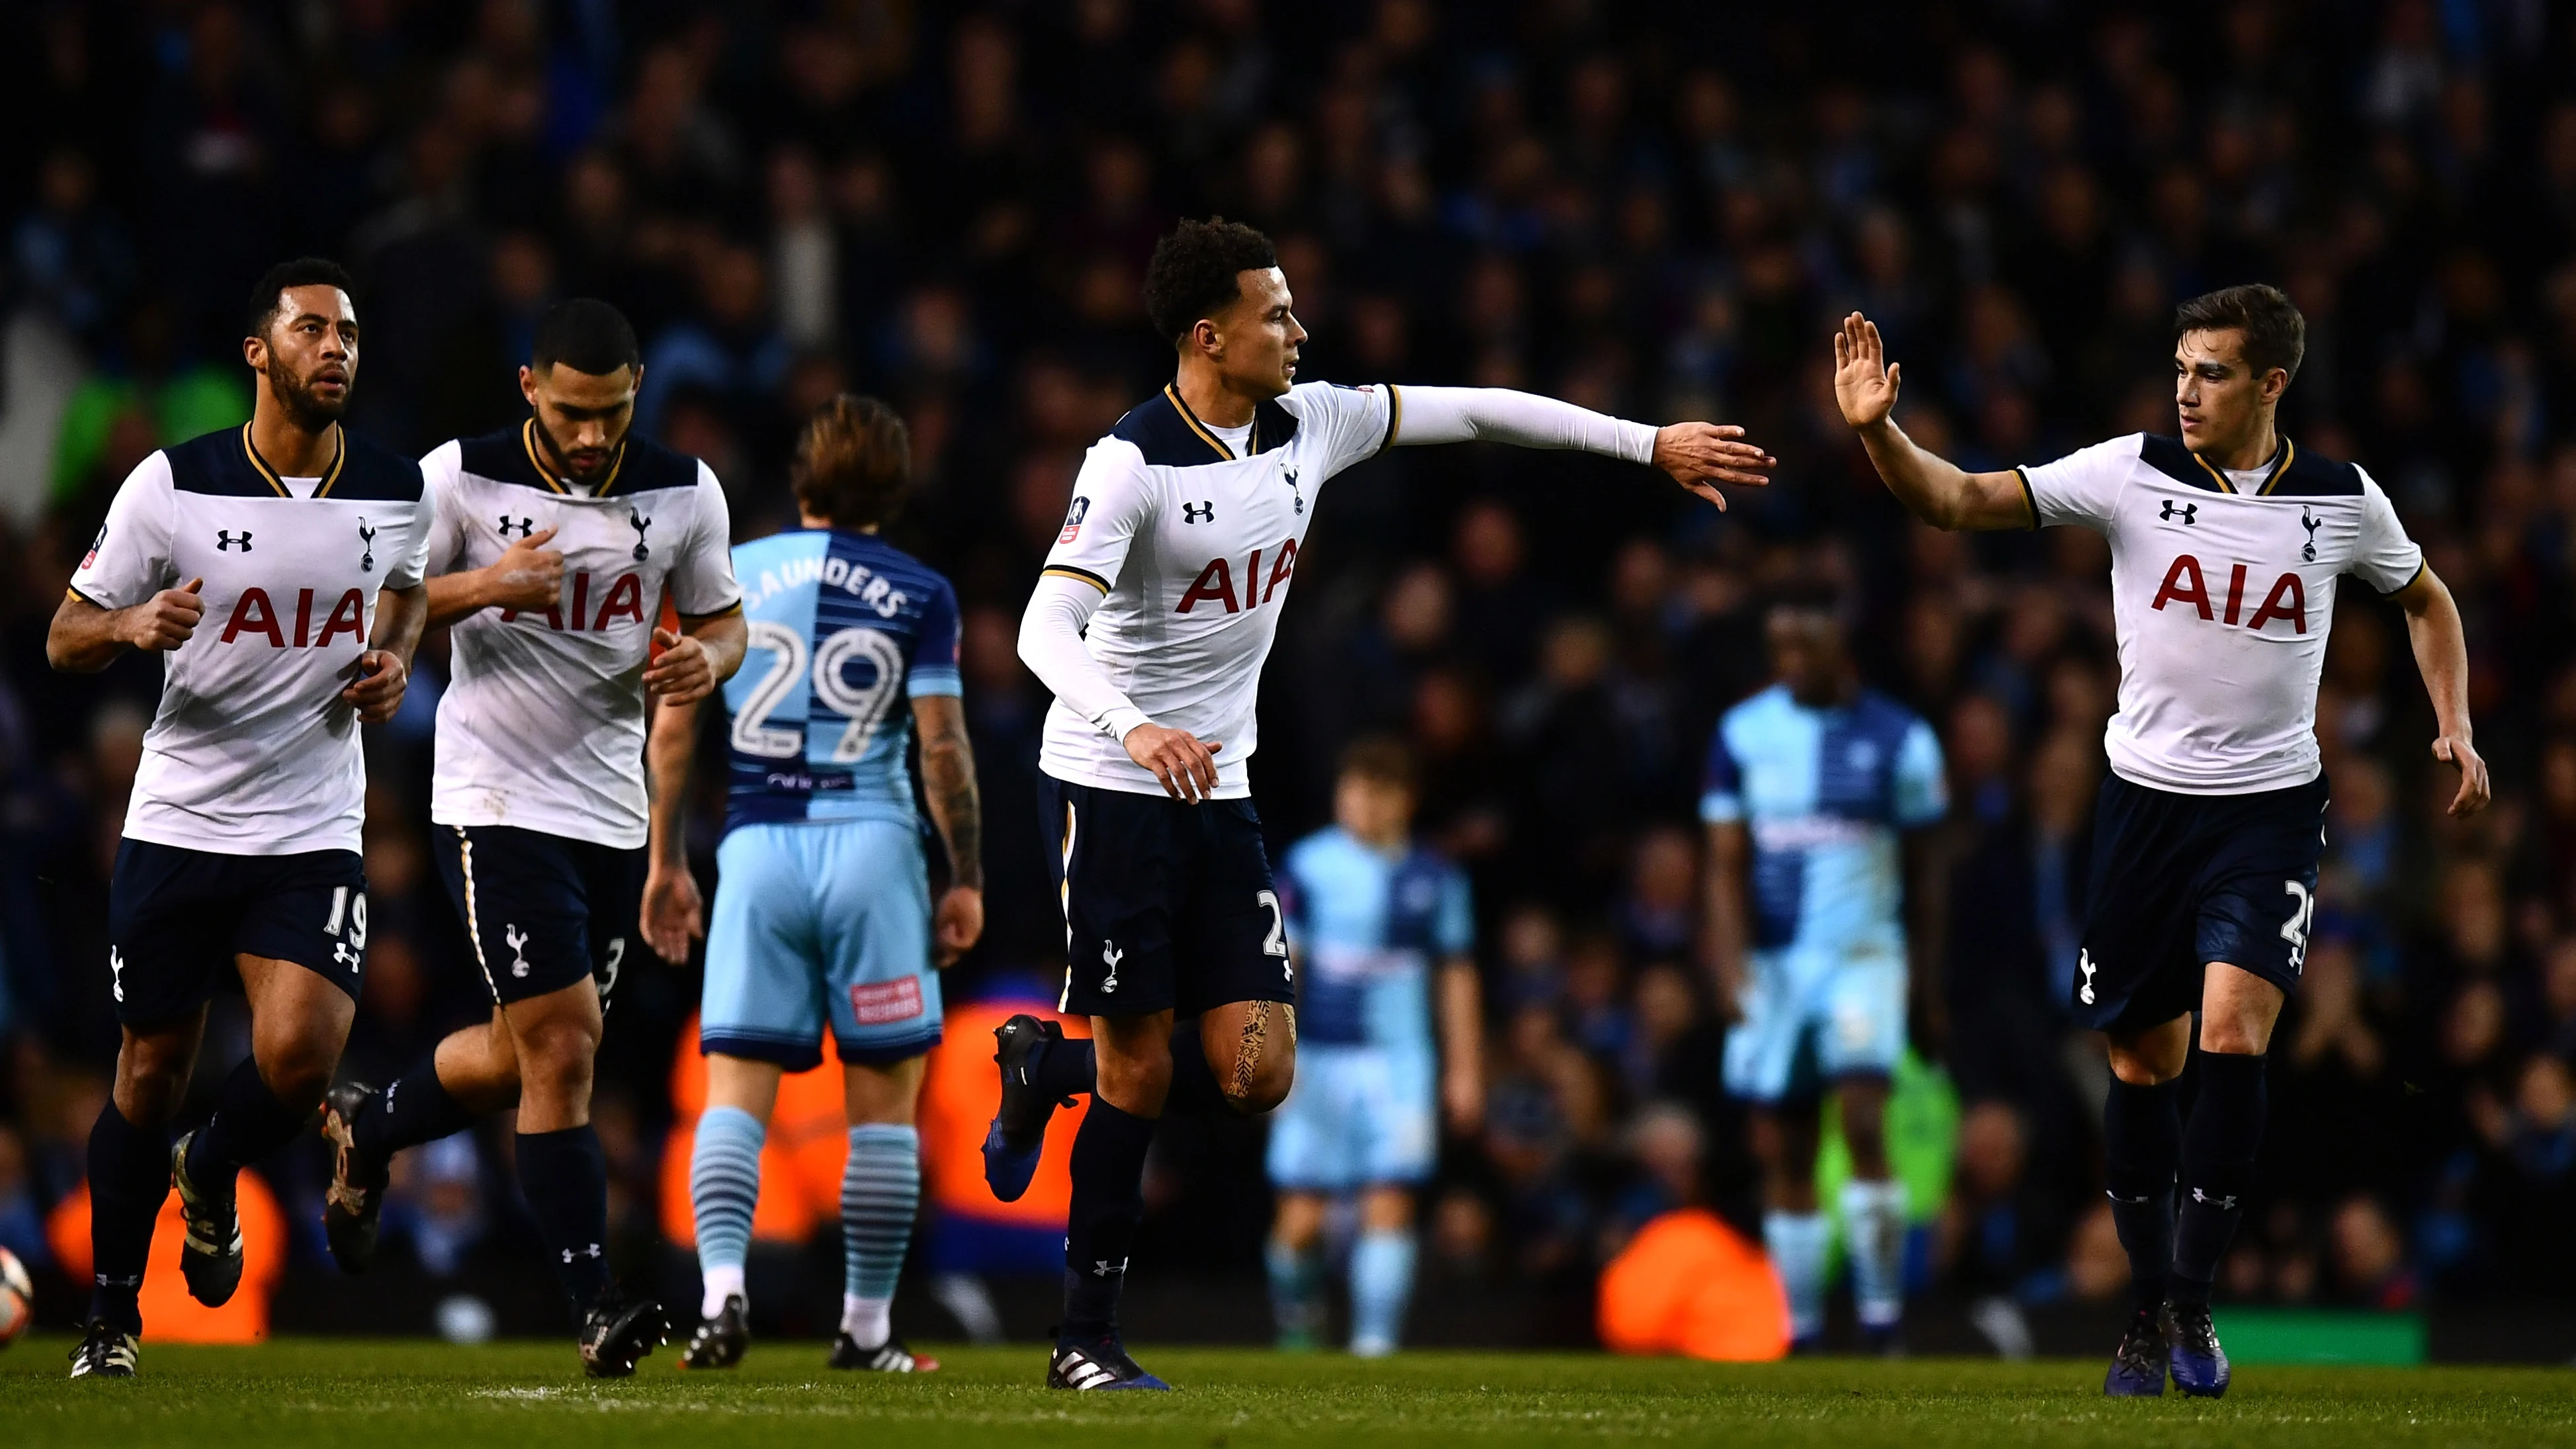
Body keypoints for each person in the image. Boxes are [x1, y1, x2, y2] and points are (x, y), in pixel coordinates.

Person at [984, 217, 1774, 1391]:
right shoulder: (1131, 462)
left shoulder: (1315, 425)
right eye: (1274, 314)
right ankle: (1081, 1338)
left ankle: (1047, 1070)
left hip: (1226, 786)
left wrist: (1643, 441)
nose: (1297, 332)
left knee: (1256, 1071)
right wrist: (1133, 727)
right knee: (1141, 1073)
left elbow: (1482, 408)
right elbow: (1041, 628)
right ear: (1209, 336)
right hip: (1114, 787)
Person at [1831, 285, 2489, 1397]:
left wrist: (2453, 725)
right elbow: (1952, 503)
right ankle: (2143, 1306)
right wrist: (1874, 433)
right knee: (2141, 1062)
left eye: (2211, 372)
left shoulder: (2337, 502)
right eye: (2178, 368)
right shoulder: (2128, 474)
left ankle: (2187, 1302)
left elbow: (2425, 600)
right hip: (2141, 807)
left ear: (2269, 383)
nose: (2183, 391)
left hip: (2267, 810)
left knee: (2232, 1029)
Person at [319, 298, 748, 1378]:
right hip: (494, 794)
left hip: (607, 805)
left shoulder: (685, 493)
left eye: (609, 412)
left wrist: (713, 661)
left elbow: (720, 617)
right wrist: (486, 585)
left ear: (635, 389)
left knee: (525, 1060)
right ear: (529, 389)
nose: (592, 435)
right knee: (563, 1049)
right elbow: (378, 612)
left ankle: (372, 1129)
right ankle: (593, 1300)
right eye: (569, 412)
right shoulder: (458, 477)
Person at [49, 259, 433, 1378]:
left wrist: (396, 658)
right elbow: (63, 636)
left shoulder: (394, 489)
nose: (336, 351)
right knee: (148, 1071)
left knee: (306, 1053)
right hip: (178, 819)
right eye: (312, 331)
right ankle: (113, 1317)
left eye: (348, 335)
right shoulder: (172, 485)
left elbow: (407, 586)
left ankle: (209, 1171)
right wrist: (127, 627)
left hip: (310, 826)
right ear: (259, 354)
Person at [641, 394, 983, 1374]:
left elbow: (673, 727)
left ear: (800, 482)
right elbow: (943, 746)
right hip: (872, 849)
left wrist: (667, 862)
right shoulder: (922, 590)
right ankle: (866, 1327)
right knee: (883, 1107)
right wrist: (963, 875)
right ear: (897, 490)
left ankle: (717, 1300)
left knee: (734, 1098)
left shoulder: (733, 576)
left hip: (756, 848)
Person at [1700, 586, 1947, 1354]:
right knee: (1786, 1142)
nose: (1792, 664)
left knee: (1866, 1119)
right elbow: (1724, 863)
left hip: (1863, 959)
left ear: (1843, 648)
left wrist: (1925, 980)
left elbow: (1930, 867)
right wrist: (1727, 960)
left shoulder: (1903, 739)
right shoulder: (1742, 734)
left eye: (1806, 647)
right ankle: (1801, 1328)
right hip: (1774, 966)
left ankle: (1880, 1320)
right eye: (1781, 649)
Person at [1264, 738, 1481, 1357]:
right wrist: (1276, 1056)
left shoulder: (1435, 878)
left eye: (1375, 792)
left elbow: (1457, 975)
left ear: (1404, 801)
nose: (1360, 804)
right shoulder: (1306, 867)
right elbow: (1285, 966)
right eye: (1351, 790)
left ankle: (1373, 1347)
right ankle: (1298, 1321)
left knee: (1391, 1199)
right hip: (1320, 1063)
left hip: (1400, 1064)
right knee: (1301, 1220)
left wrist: (1464, 1070)